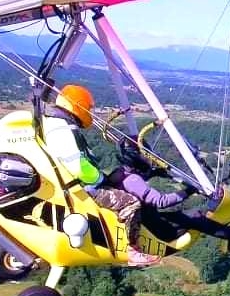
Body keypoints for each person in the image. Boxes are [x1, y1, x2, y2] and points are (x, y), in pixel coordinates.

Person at [45, 84, 160, 267]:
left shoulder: (53, 123)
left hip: (73, 182)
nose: (89, 112)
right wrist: (101, 180)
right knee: (131, 202)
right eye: (88, 108)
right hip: (82, 187)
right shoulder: (62, 129)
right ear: (78, 105)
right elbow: (79, 167)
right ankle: (133, 250)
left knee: (118, 177)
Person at [106, 144, 230, 243]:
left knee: (181, 215)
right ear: (137, 159)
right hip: (157, 231)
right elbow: (161, 201)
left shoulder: (122, 173)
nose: (148, 160)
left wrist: (156, 172)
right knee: (196, 216)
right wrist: (189, 191)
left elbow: (139, 180)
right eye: (145, 157)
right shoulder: (133, 180)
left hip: (147, 224)